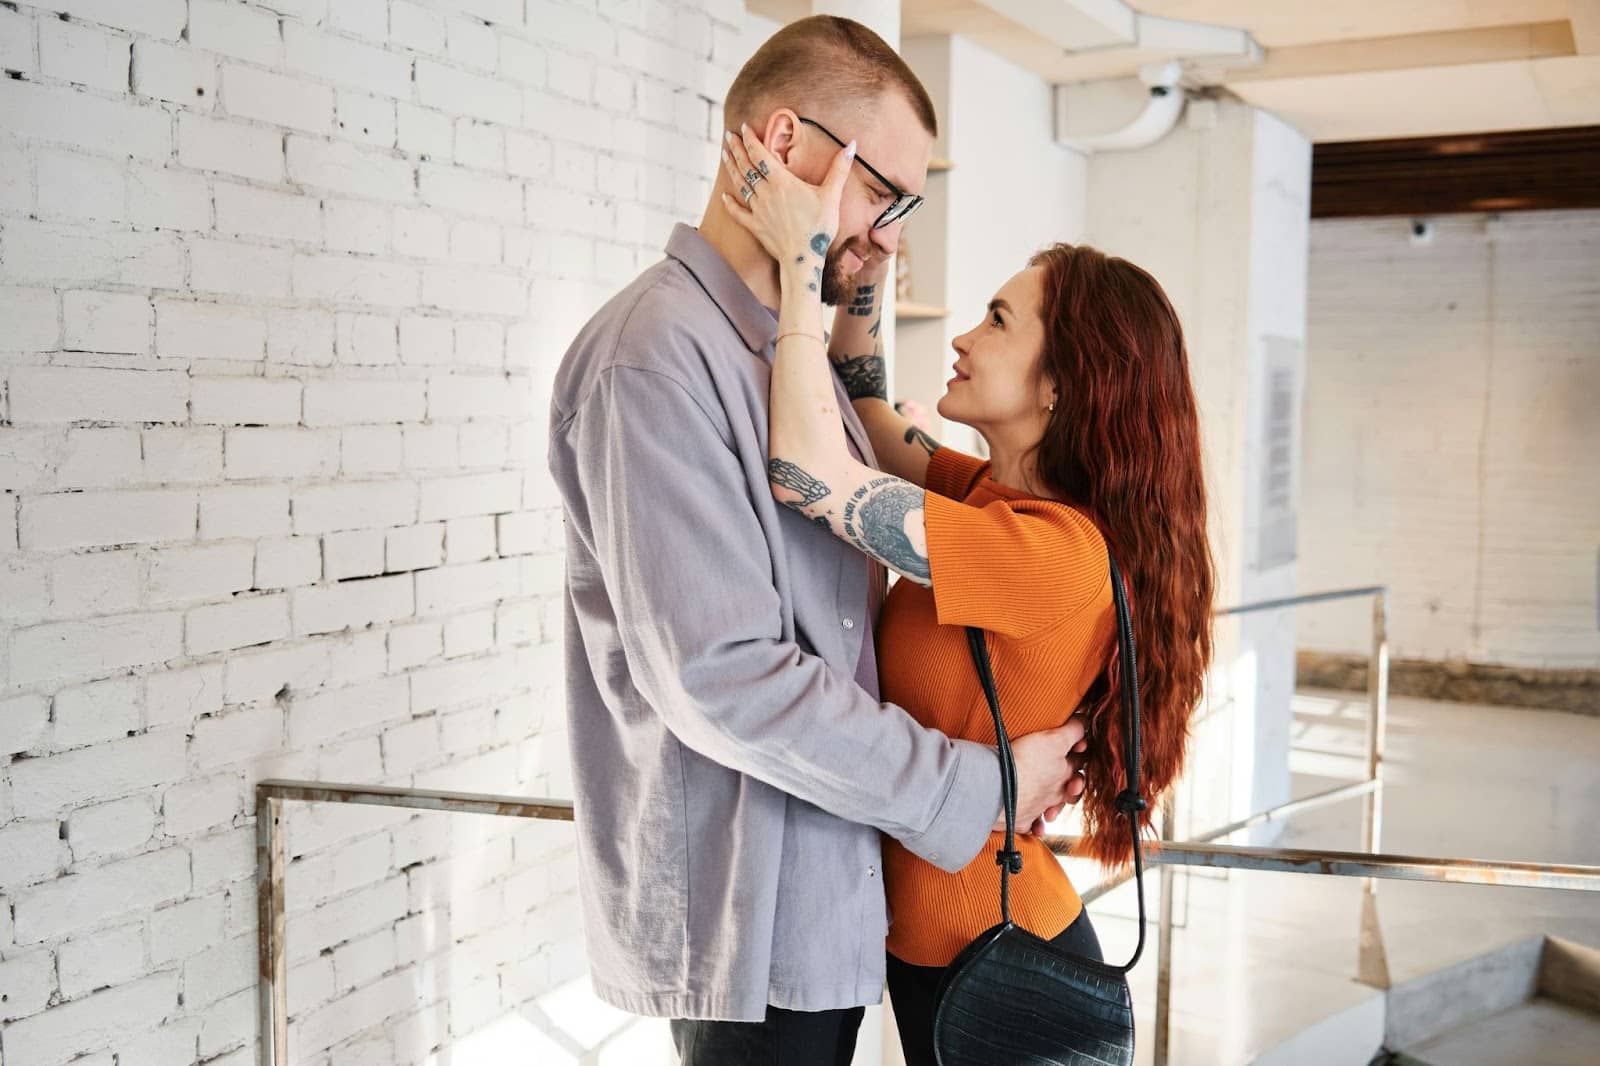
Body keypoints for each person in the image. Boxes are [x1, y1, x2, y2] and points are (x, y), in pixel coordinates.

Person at [545, 16, 1090, 1065]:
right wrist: (981, 789)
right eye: (884, 194)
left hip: (825, 892)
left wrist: (840, 275)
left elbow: (861, 411)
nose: (890, 234)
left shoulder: (782, 365)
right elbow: (724, 675)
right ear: (784, 141)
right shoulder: (655, 360)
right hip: (749, 914)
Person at [718, 116, 1214, 1063]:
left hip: (1000, 953)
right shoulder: (992, 502)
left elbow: (808, 470)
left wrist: (801, 260)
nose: (961, 337)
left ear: (1063, 386)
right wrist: (868, 255)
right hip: (953, 945)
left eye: (996, 321)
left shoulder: (1049, 552)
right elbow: (864, 409)